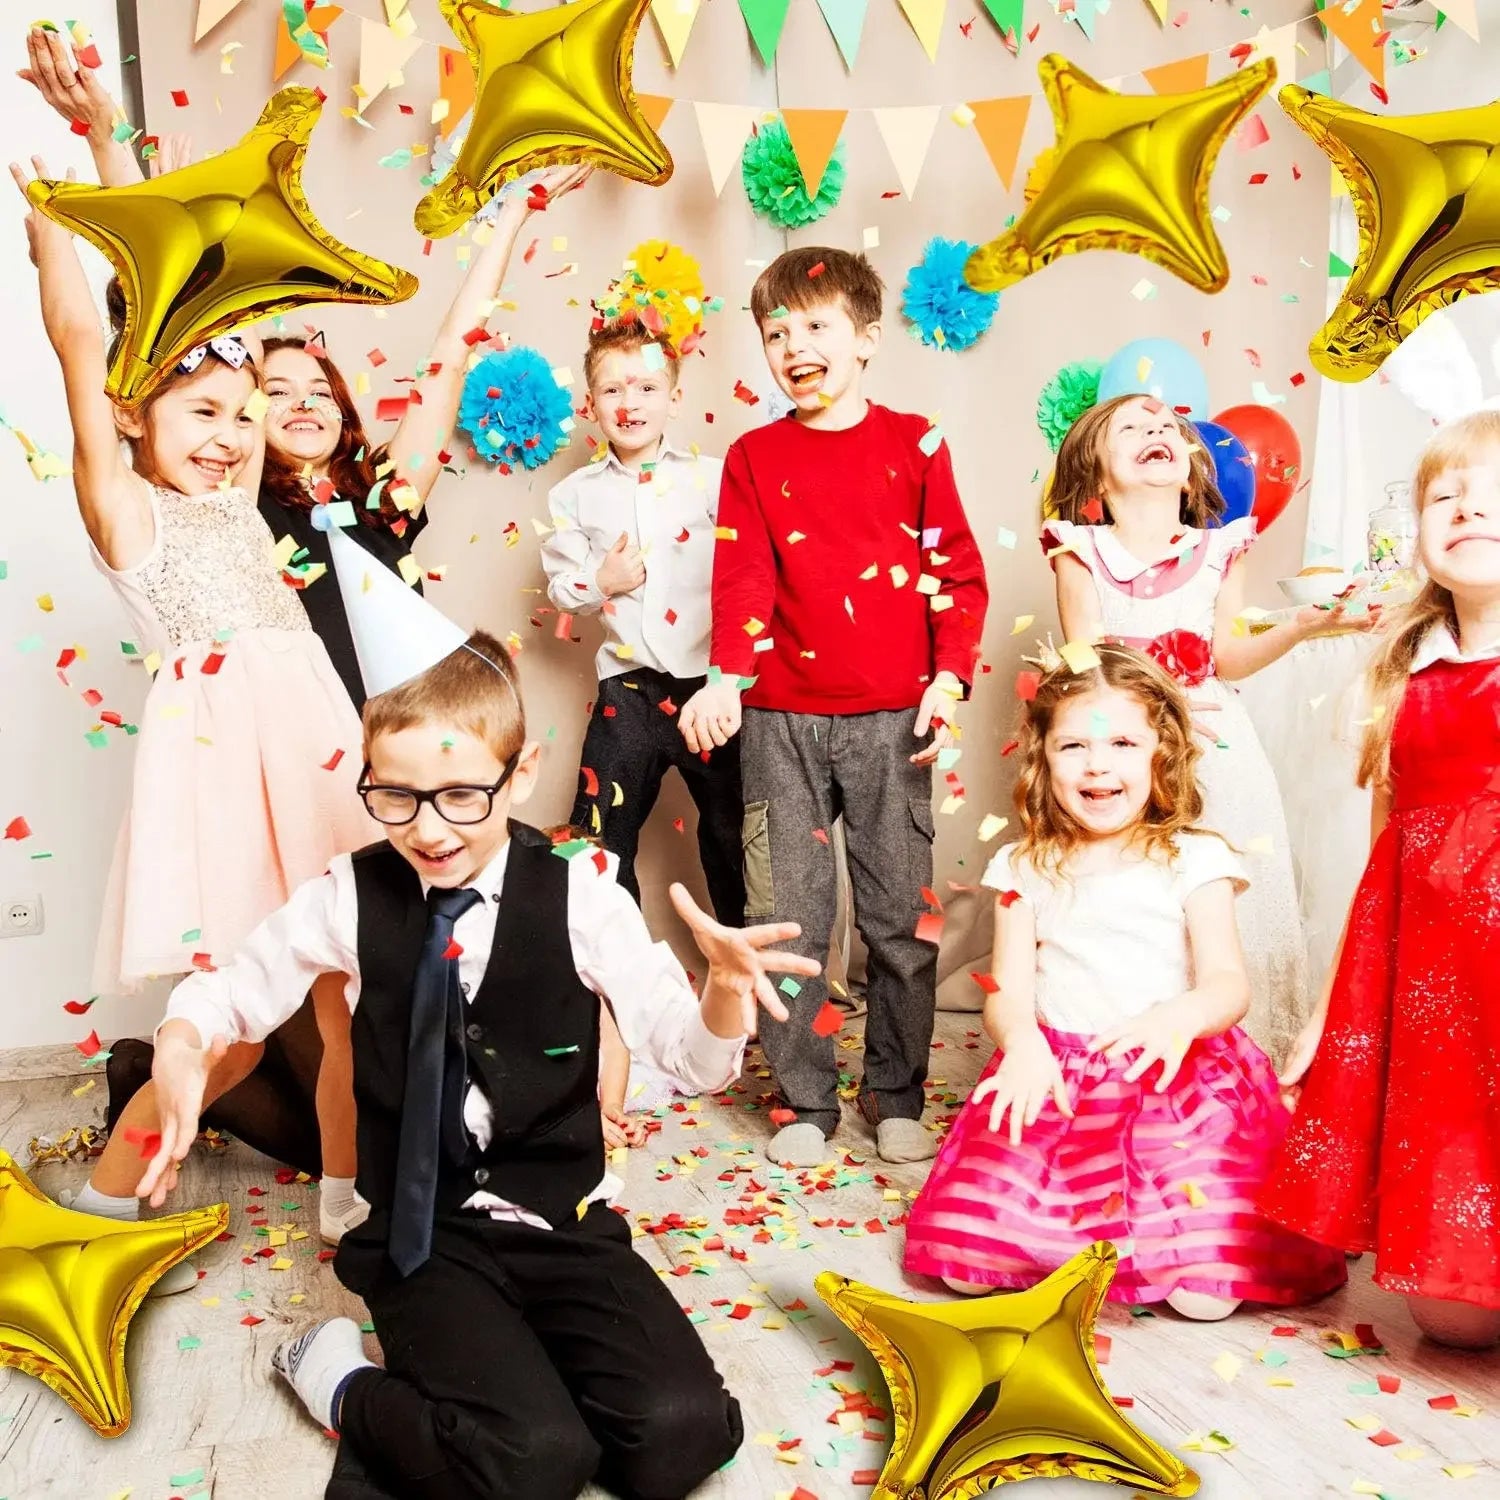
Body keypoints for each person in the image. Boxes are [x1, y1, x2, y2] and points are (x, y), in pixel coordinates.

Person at [138, 537, 819, 1498]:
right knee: (534, 1463)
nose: (428, 828)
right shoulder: (349, 894)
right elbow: (234, 989)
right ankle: (336, 1376)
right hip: (425, 1233)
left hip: (565, 1220)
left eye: (461, 795)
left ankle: (534, 1379)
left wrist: (720, 994)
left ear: (521, 770)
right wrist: (181, 1043)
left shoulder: (582, 894)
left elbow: (691, 1058)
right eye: (395, 796)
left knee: (680, 1437)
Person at [13, 155, 375, 1259]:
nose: (227, 435)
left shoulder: (239, 499)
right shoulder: (132, 515)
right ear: (132, 413)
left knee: (346, 1000)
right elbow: (81, 343)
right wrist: (55, 232)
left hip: (314, 770)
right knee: (231, 1036)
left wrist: (111, 149)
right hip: (226, 790)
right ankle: (105, 1210)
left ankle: (349, 1197)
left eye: (240, 413)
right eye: (200, 411)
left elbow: (205, 278)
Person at [18, 22, 589, 708]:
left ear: (344, 414)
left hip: (412, 756)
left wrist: (513, 217)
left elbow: (449, 353)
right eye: (277, 392)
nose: (303, 403)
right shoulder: (236, 503)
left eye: (320, 391)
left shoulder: (388, 500)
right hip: (284, 752)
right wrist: (109, 148)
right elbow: (179, 316)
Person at [903, 645, 1346, 1316]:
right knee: (969, 1266)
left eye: (1122, 743)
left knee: (1204, 1295)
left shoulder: (1195, 858)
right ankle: (1072, 1230)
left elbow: (1228, 984)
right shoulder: (1023, 866)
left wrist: (1181, 1016)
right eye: (1074, 745)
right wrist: (1022, 1045)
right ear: (1043, 757)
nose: (1098, 764)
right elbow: (1007, 992)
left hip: (1177, 1084)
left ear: (1161, 753)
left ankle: (1166, 1238)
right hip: (1059, 1081)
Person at [677, 246, 989, 1168]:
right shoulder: (753, 456)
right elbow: (742, 577)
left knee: (900, 924)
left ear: (866, 339)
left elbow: (956, 574)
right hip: (779, 725)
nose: (793, 347)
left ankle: (895, 1093)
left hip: (896, 722)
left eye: (814, 327)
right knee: (790, 921)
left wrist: (948, 679)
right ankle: (804, 1101)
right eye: (775, 334)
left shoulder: (917, 442)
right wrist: (726, 680)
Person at [1044, 394, 1376, 1067]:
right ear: (1096, 475)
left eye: (1167, 425)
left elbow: (1227, 656)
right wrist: (1145, 715)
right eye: (1132, 427)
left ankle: (1245, 1063)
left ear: (1192, 466)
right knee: (1138, 893)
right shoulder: (1080, 552)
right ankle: (1132, 1049)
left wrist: (1300, 625)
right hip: (1126, 746)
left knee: (1228, 892)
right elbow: (1086, 665)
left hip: (1216, 748)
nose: (1157, 429)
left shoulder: (1221, 549)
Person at [1263, 410, 1500, 1350]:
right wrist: (1328, 1015)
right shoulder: (1410, 677)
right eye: (1447, 496)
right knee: (1452, 1322)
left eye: (1493, 494)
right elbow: (1382, 865)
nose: (1469, 509)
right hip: (1440, 983)